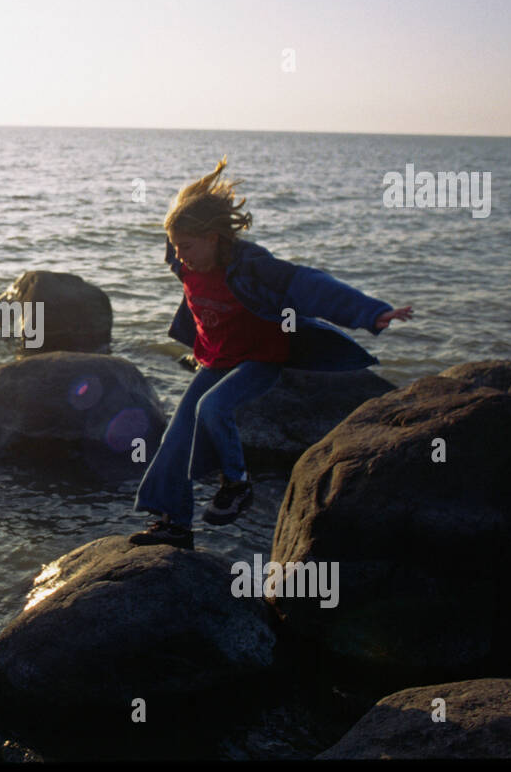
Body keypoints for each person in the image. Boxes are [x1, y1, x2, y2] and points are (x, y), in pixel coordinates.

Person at [130, 156, 413, 548]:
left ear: (214, 238)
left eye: (187, 246)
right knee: (176, 436)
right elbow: (181, 230)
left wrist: (371, 312)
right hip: (217, 359)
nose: (180, 256)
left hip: (260, 357)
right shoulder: (186, 262)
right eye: (176, 247)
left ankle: (238, 484)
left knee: (212, 408)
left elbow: (308, 284)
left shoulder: (250, 265)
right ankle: (175, 524)